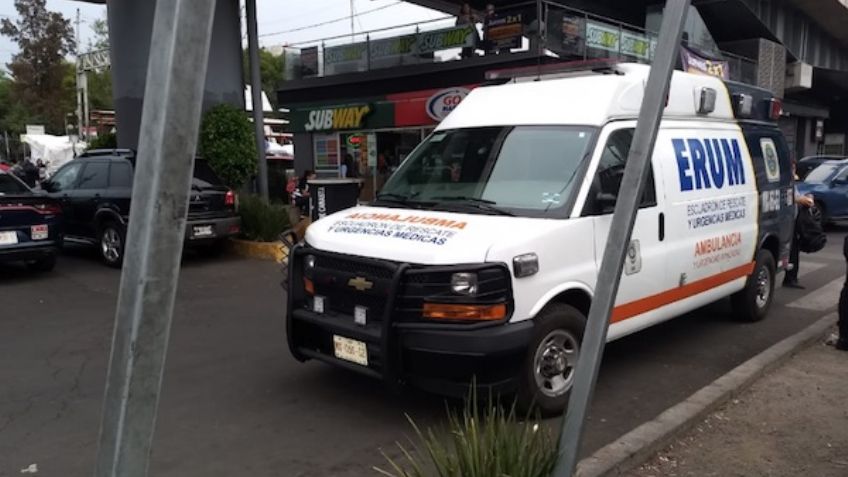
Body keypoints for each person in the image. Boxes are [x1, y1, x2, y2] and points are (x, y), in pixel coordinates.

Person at [784, 161, 814, 289]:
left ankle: (791, 277)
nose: (794, 170)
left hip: (792, 219)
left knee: (794, 249)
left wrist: (806, 197)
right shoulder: (785, 182)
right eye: (792, 168)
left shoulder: (790, 181)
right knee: (792, 250)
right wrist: (805, 200)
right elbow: (791, 197)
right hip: (787, 220)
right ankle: (790, 278)